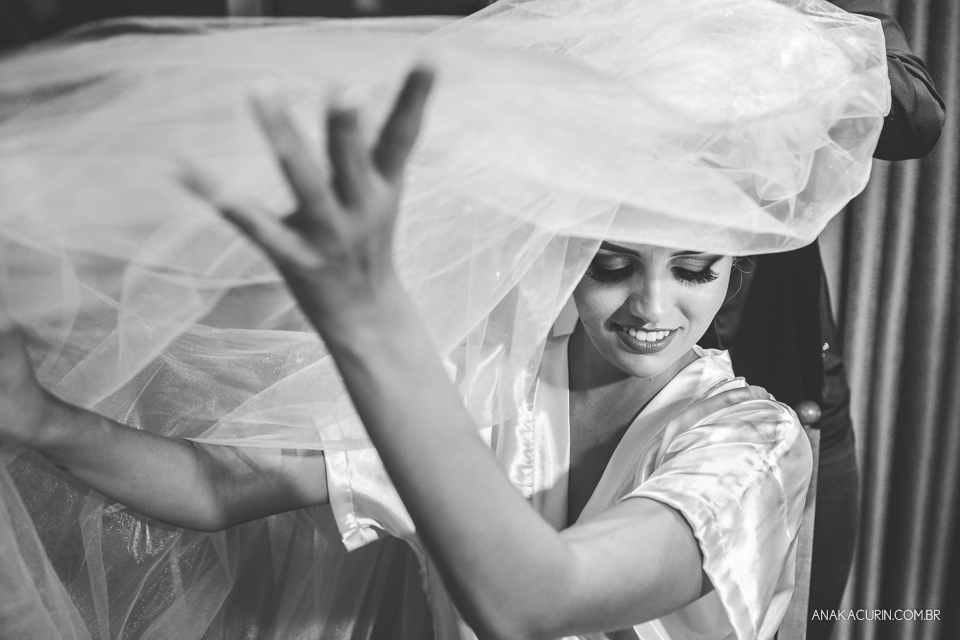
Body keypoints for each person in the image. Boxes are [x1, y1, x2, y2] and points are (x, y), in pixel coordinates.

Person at [0, 1, 890, 638]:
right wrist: (42, 419)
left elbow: (536, 605)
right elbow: (222, 487)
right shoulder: (480, 380)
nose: (654, 310)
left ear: (736, 272)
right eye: (612, 267)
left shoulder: (755, 445)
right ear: (560, 256)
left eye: (694, 271)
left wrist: (367, 310)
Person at [698, 3, 946, 638]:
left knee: (812, 620)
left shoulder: (806, 17)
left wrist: (782, 29)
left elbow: (916, 119)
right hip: (656, 384)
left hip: (800, 381)